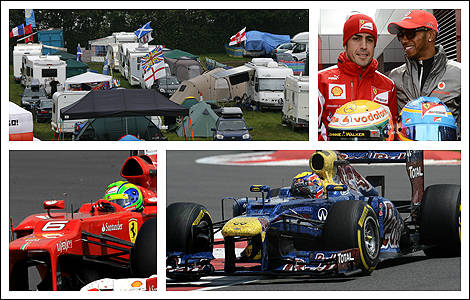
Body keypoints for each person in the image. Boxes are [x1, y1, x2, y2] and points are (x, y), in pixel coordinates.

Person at [318, 13, 397, 141]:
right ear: (345, 43)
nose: (364, 46)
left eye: (369, 40)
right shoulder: (321, 80)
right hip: (335, 159)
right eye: (357, 38)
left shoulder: (388, 85)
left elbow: (392, 130)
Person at [387, 10, 461, 138]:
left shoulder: (460, 74)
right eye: (401, 35)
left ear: (431, 35)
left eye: (410, 34)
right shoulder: (395, 77)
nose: (404, 40)